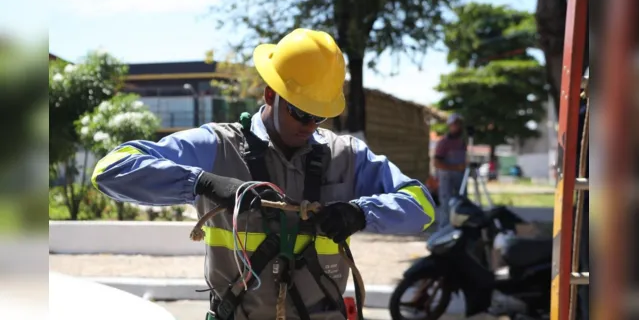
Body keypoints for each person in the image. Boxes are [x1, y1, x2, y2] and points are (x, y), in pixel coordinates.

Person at [91, 28, 436, 320]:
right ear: (270, 94)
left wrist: (362, 213)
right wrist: (202, 182)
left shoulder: (345, 155)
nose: (310, 126)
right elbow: (111, 169)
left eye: (319, 116)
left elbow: (421, 206)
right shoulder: (217, 147)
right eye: (301, 113)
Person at [433, 113, 467, 229]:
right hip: (447, 179)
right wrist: (456, 167)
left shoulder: (462, 142)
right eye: (455, 124)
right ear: (450, 125)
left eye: (460, 124)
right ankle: (444, 229)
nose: (458, 127)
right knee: (446, 204)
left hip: (460, 178)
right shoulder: (443, 142)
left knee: (461, 203)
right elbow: (437, 163)